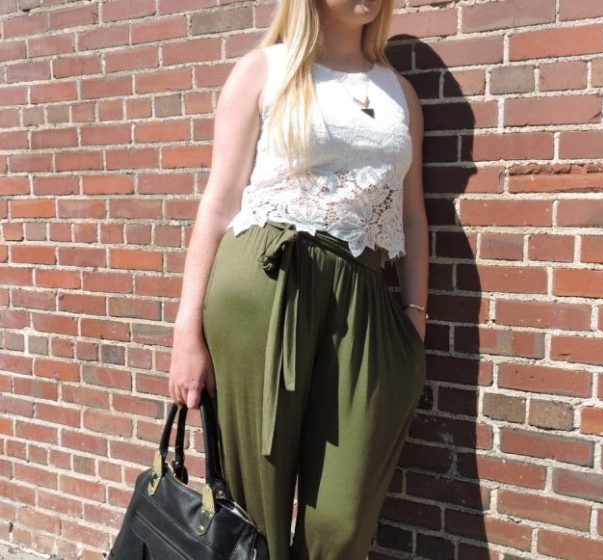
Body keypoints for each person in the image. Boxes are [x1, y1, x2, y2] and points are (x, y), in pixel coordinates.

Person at [168, 0, 428, 557]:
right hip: (262, 282)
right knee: (252, 509)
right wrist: (186, 331)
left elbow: (412, 216)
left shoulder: (399, 93)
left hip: (362, 294)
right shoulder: (264, 69)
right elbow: (218, 202)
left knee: (342, 518)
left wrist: (414, 319)